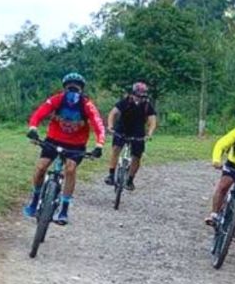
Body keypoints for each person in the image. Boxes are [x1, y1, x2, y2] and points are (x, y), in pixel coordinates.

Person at [25, 72, 105, 225]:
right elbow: (39, 113)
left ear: (81, 90)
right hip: (54, 139)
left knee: (70, 169)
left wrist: (99, 145)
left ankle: (64, 209)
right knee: (41, 167)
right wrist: (33, 128)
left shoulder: (87, 105)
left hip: (76, 144)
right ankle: (35, 200)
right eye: (69, 87)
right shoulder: (57, 100)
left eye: (76, 88)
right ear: (65, 88)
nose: (72, 91)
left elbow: (98, 125)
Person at [103, 81, 157, 191]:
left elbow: (152, 121)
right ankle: (111, 175)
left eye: (142, 96)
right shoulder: (125, 102)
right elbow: (113, 113)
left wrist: (150, 133)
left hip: (138, 132)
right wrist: (110, 126)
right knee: (116, 149)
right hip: (122, 129)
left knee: (137, 157)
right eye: (137, 95)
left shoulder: (147, 105)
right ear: (132, 94)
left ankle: (130, 180)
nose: (139, 98)